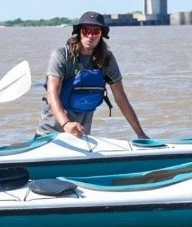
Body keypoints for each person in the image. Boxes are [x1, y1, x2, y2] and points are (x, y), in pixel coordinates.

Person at [36, 11, 148, 139]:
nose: (90, 36)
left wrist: (141, 134)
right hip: (49, 134)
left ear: (101, 35)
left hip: (80, 136)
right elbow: (52, 93)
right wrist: (66, 124)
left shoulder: (107, 59)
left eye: (95, 32)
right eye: (86, 31)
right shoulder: (61, 56)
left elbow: (121, 98)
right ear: (79, 32)